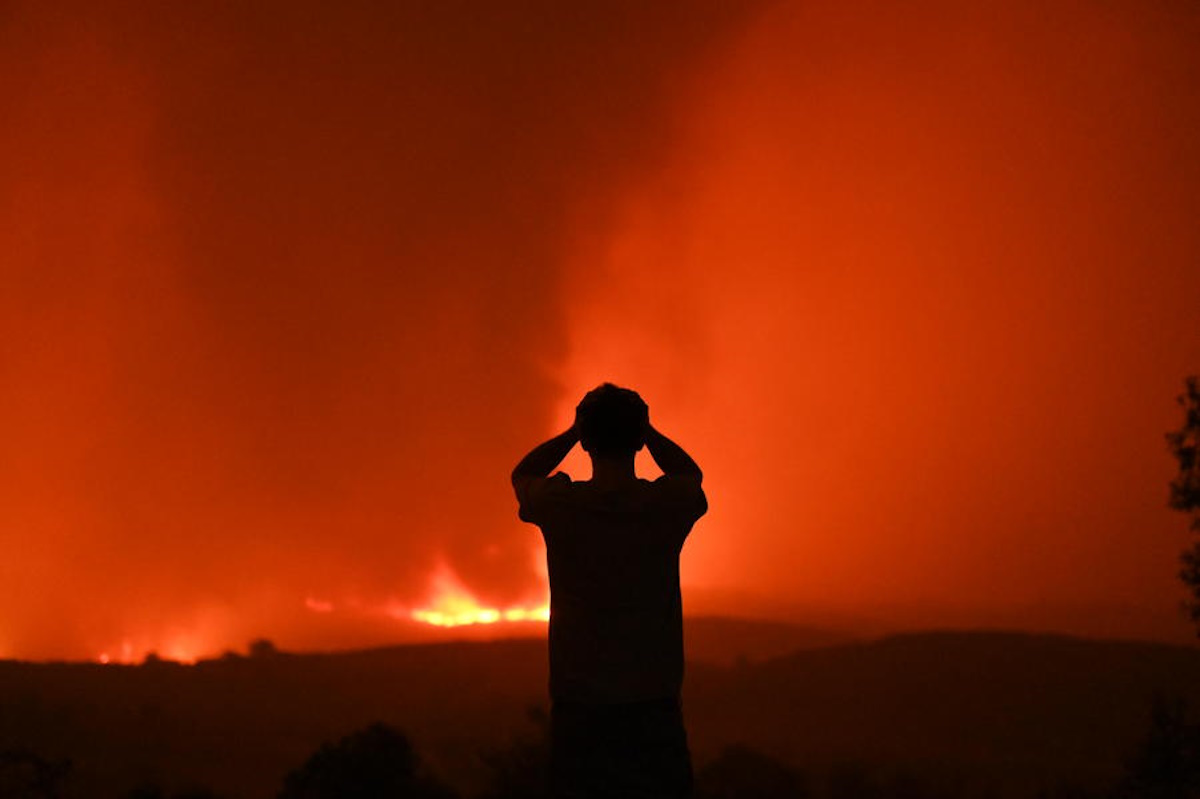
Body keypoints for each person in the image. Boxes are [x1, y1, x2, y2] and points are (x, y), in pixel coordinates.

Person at [512, 383, 707, 799]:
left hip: (579, 703)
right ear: (639, 440)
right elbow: (690, 476)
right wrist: (647, 430)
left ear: (586, 442)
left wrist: (572, 432)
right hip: (653, 701)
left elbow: (523, 474)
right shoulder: (665, 503)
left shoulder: (560, 503)